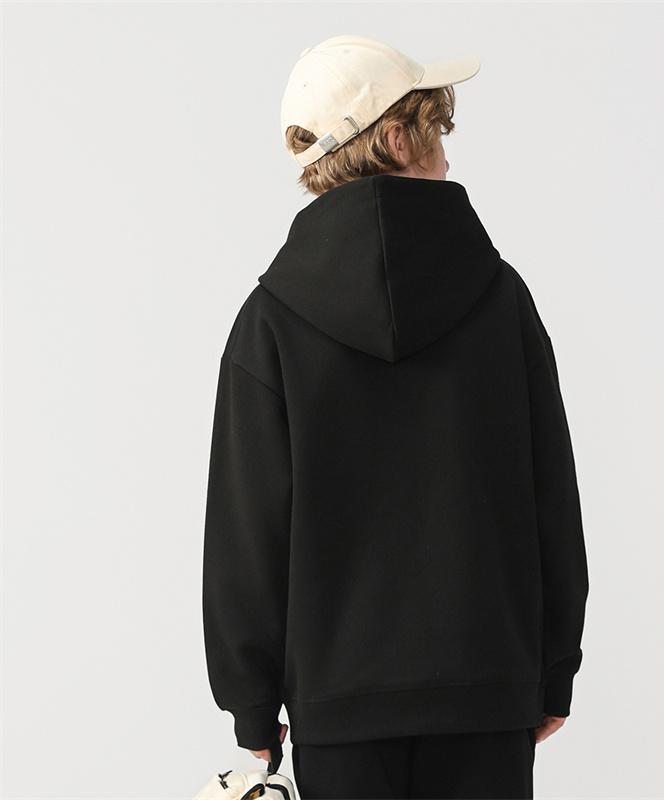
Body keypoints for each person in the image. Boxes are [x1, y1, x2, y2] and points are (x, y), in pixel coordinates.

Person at [202, 34, 589, 800]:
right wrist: (553, 669)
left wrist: (251, 702)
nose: (446, 152)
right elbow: (552, 494)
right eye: (435, 129)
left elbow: (248, 530)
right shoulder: (501, 300)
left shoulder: (270, 322)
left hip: (338, 712)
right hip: (487, 698)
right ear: (396, 139)